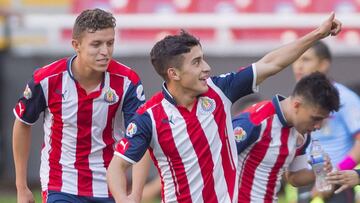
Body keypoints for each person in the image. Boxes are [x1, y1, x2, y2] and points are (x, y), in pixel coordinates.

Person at [106, 13, 341, 203]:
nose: (206, 68)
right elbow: (118, 165)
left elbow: (271, 62)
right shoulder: (149, 117)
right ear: (173, 73)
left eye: (203, 58)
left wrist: (318, 34)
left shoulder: (219, 90)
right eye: (197, 62)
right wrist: (125, 197)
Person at [12, 8, 148, 203]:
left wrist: (135, 194)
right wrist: (21, 186)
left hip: (110, 185)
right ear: (76, 45)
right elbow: (22, 123)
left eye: (110, 43)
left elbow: (141, 136)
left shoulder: (127, 81)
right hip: (60, 183)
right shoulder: (47, 79)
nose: (105, 51)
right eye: (96, 44)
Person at [234, 72, 339, 202]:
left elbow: (294, 177)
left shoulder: (302, 134)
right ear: (297, 105)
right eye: (315, 118)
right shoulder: (255, 121)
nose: (318, 126)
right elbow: (213, 162)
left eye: (322, 120)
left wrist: (318, 171)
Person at [293, 41, 360, 203]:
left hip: (338, 183)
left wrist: (336, 174)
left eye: (306, 59)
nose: (298, 66)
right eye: (296, 59)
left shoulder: (345, 98)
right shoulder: (296, 100)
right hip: (306, 181)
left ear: (323, 64)